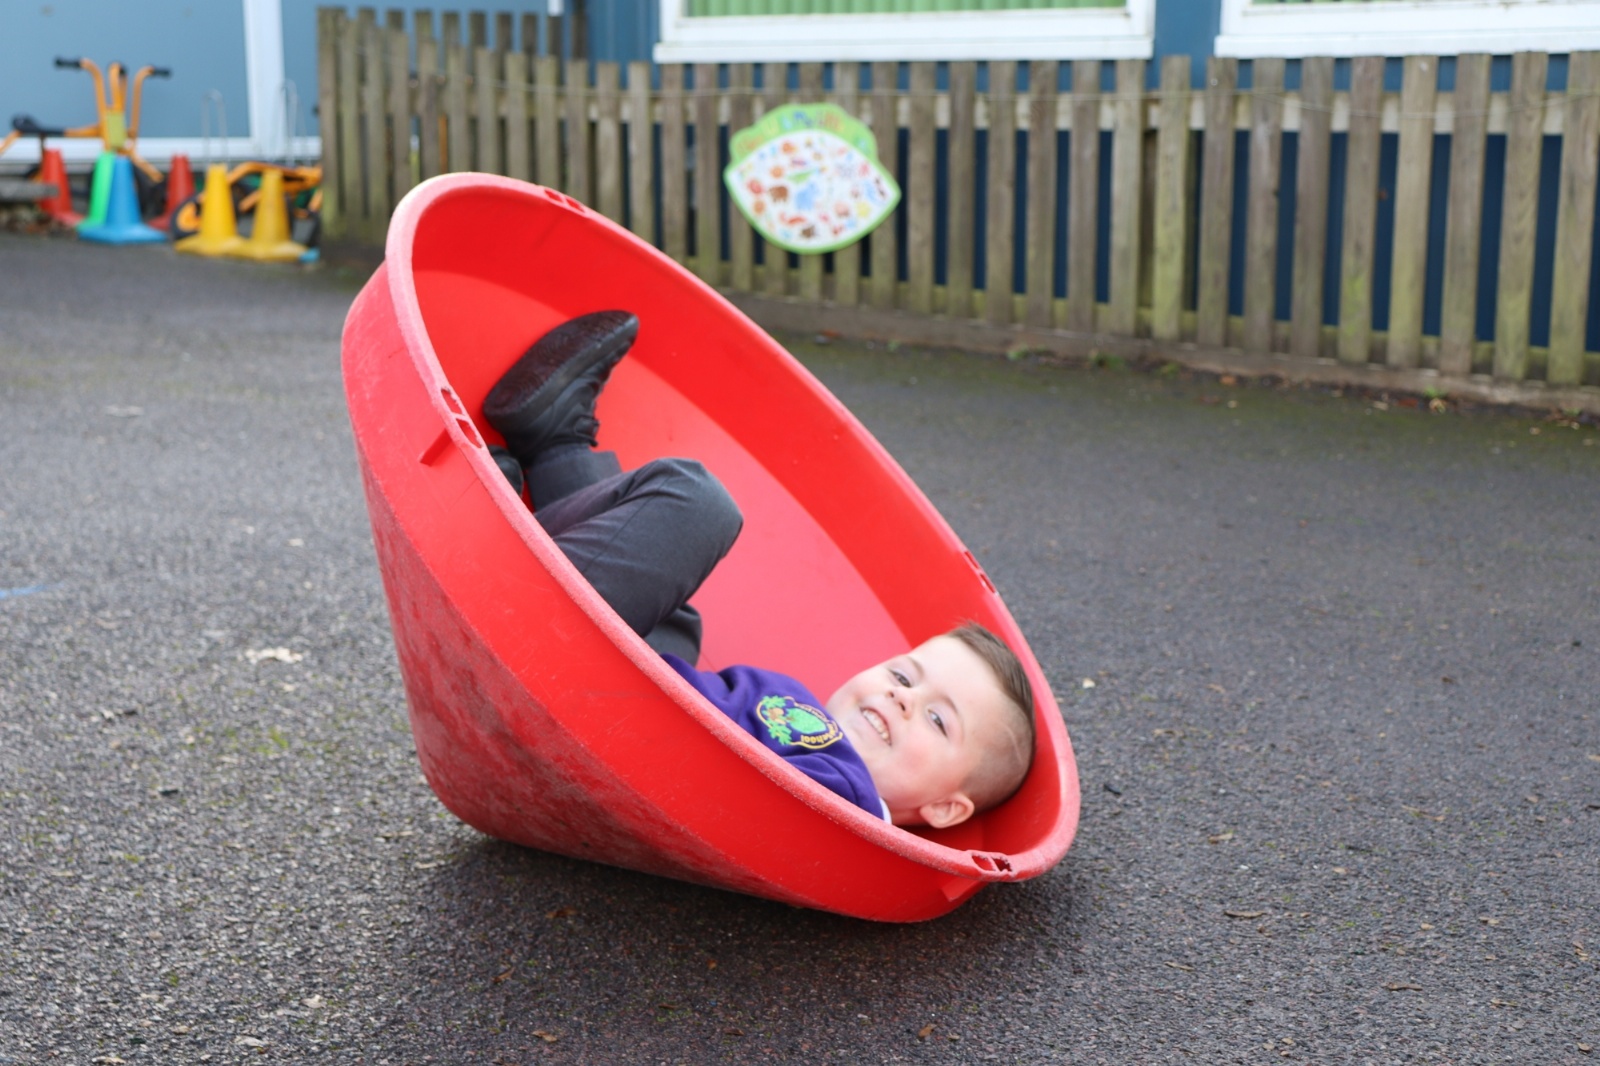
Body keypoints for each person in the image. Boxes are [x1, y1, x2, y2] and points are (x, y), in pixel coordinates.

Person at [482, 311, 1036, 829]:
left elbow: (777, 820)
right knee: (676, 618)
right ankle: (555, 444)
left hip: (589, 696)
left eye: (938, 720)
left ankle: (491, 538)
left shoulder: (847, 798)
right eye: (903, 676)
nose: (902, 698)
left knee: (699, 505)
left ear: (944, 808)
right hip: (639, 681)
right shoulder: (820, 731)